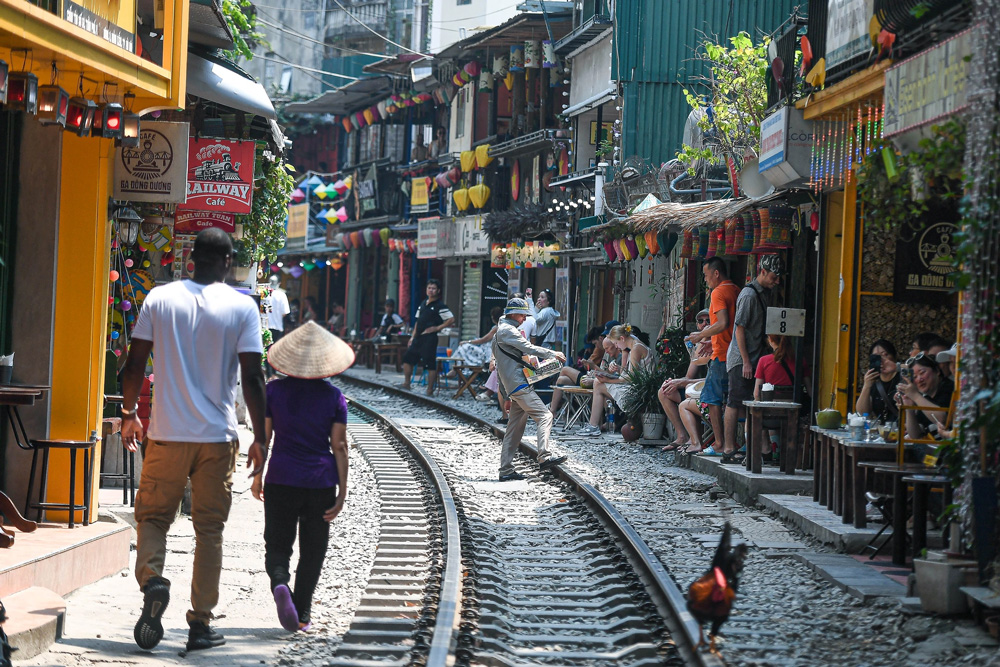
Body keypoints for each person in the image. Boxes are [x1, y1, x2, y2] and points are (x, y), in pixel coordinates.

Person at [120, 228, 267, 653]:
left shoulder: (159, 299)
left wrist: (130, 415)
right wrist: (261, 436)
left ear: (190, 260)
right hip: (217, 439)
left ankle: (153, 581)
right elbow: (254, 378)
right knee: (209, 530)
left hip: (166, 434)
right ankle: (200, 624)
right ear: (227, 262)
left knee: (152, 518)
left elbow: (133, 367)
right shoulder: (243, 307)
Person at [251, 322, 353, 633]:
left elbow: (263, 438)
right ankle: (303, 612)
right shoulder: (335, 398)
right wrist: (342, 490)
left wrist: (257, 476)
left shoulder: (273, 391)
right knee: (313, 549)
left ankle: (280, 582)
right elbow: (339, 445)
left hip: (281, 477)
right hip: (320, 482)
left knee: (277, 544)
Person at [492, 297, 567, 480]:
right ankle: (544, 456)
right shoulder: (507, 331)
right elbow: (529, 348)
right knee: (545, 415)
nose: (525, 319)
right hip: (519, 384)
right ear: (512, 314)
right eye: (522, 315)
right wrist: (553, 353)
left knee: (514, 429)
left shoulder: (500, 333)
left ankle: (506, 470)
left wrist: (506, 395)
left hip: (514, 386)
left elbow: (500, 368)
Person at [721, 254, 782, 464]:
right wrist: (746, 361)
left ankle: (764, 449)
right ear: (763, 272)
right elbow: (739, 330)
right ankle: (728, 448)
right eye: (774, 276)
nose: (777, 281)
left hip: (756, 357)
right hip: (741, 359)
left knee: (754, 403)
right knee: (735, 401)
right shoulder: (748, 295)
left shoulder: (765, 293)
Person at [684, 258, 739, 455]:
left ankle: (719, 443)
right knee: (733, 399)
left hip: (722, 354)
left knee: (712, 399)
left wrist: (701, 335)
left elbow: (723, 322)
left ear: (716, 274)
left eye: (707, 276)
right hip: (733, 351)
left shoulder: (718, 292)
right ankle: (730, 443)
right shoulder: (736, 289)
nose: (705, 281)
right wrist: (710, 340)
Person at [578, 324, 652, 436]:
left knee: (598, 383)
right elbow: (628, 374)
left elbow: (630, 378)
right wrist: (613, 373)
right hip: (637, 386)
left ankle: (594, 426)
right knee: (598, 382)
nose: (617, 347)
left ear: (622, 338)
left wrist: (608, 380)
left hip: (640, 391)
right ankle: (594, 425)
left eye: (616, 343)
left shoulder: (636, 348)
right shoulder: (633, 345)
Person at [658, 309, 712, 450]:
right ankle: (682, 436)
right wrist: (675, 382)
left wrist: (683, 382)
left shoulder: (716, 343)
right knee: (664, 391)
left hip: (712, 392)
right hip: (700, 389)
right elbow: (689, 376)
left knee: (687, 395)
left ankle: (696, 441)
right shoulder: (697, 345)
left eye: (708, 321)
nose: (704, 324)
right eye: (701, 321)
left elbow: (713, 379)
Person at [400, 279, 455, 395]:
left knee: (429, 364)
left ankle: (430, 390)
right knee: (407, 359)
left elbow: (451, 319)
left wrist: (437, 328)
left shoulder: (440, 306)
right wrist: (412, 337)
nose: (431, 290)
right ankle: (406, 383)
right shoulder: (423, 303)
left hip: (430, 338)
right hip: (418, 337)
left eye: (433, 288)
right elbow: (417, 322)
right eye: (429, 288)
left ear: (438, 291)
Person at [549, 336, 619, 416]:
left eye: (608, 348)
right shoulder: (603, 350)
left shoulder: (605, 351)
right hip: (593, 377)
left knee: (564, 369)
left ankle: (559, 406)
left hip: (596, 380)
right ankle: (554, 411)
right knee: (561, 380)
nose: (606, 351)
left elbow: (609, 375)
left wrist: (593, 366)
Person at [898, 354, 955, 440]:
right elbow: (915, 435)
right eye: (915, 377)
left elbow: (942, 419)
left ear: (937, 371)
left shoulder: (949, 388)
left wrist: (916, 396)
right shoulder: (924, 398)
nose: (919, 379)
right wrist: (909, 408)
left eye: (922, 373)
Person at [856, 339, 901, 423]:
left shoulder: (902, 377)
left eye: (885, 355)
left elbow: (914, 369)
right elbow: (863, 413)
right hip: (883, 430)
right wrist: (866, 386)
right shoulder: (873, 381)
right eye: (876, 357)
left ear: (894, 357)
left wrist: (897, 367)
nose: (881, 360)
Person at [266, 275, 290, 344]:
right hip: (277, 326)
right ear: (279, 283)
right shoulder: (282, 295)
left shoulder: (264, 293)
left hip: (265, 326)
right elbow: (285, 312)